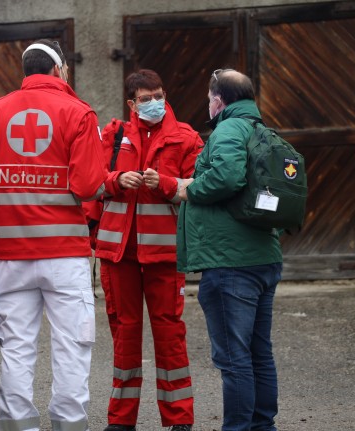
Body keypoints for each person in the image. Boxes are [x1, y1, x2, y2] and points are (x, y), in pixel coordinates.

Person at [0, 39, 107, 431]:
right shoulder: (78, 113)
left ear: (25, 71)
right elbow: (89, 185)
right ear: (59, 70)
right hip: (65, 259)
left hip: (10, 257)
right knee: (72, 350)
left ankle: (16, 424)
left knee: (16, 350)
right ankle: (69, 425)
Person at [87, 69, 202, 431]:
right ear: (131, 103)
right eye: (145, 98)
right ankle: (121, 422)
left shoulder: (186, 138)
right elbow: (91, 182)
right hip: (118, 254)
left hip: (165, 257)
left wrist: (166, 184)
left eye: (158, 95)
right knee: (125, 335)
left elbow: (200, 188)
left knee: (170, 335)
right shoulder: (114, 133)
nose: (154, 103)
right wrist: (116, 180)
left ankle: (179, 420)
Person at [177, 68, 283, 431]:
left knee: (234, 359)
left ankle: (238, 428)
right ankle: (262, 426)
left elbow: (226, 177)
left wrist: (189, 188)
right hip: (263, 258)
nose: (208, 106)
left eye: (209, 99)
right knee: (258, 353)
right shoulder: (261, 129)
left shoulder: (227, 128)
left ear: (219, 101)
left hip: (230, 264)